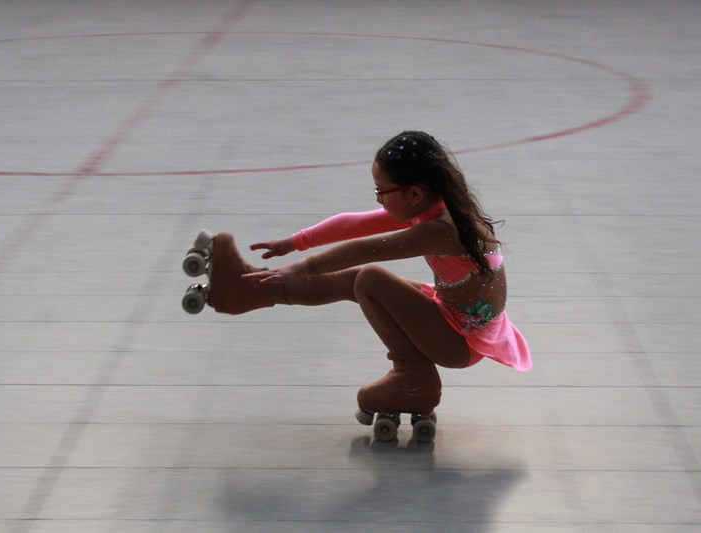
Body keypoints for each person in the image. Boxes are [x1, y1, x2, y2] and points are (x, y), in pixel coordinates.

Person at [205, 130, 531, 422]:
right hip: (455, 319)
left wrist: (300, 267)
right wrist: (293, 242)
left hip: (460, 341)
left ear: (414, 194)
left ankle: (412, 378)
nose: (378, 198)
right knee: (357, 279)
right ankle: (252, 290)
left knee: (370, 279)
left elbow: (364, 249)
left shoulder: (442, 229)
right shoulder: (436, 206)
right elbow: (355, 223)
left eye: (381, 190)